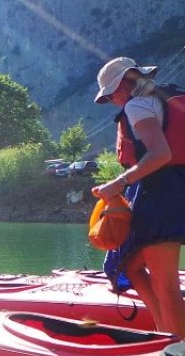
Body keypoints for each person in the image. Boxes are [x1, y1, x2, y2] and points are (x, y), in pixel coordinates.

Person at [91, 56, 185, 335]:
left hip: (162, 193)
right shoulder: (167, 97)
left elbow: (161, 154)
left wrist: (118, 183)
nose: (113, 102)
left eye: (111, 96)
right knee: (128, 265)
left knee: (165, 284)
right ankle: (165, 336)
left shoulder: (138, 104)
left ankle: (179, 351)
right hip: (174, 189)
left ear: (122, 86)